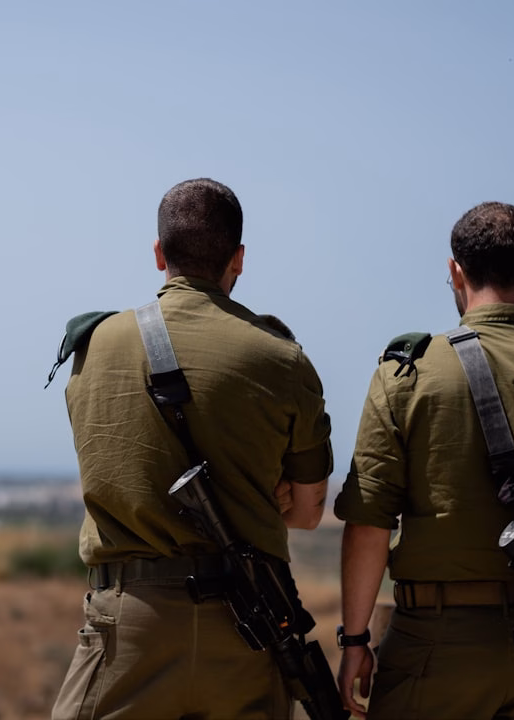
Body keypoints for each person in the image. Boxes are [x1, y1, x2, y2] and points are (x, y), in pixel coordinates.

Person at [49, 178, 334, 720]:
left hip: (131, 623)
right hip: (248, 629)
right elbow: (306, 512)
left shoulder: (94, 347)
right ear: (239, 258)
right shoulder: (282, 358)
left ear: (159, 253)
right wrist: (255, 496)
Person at [334, 202, 514, 719]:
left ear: (455, 272)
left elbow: (368, 523)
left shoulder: (407, 374)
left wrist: (355, 640)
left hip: (433, 648)